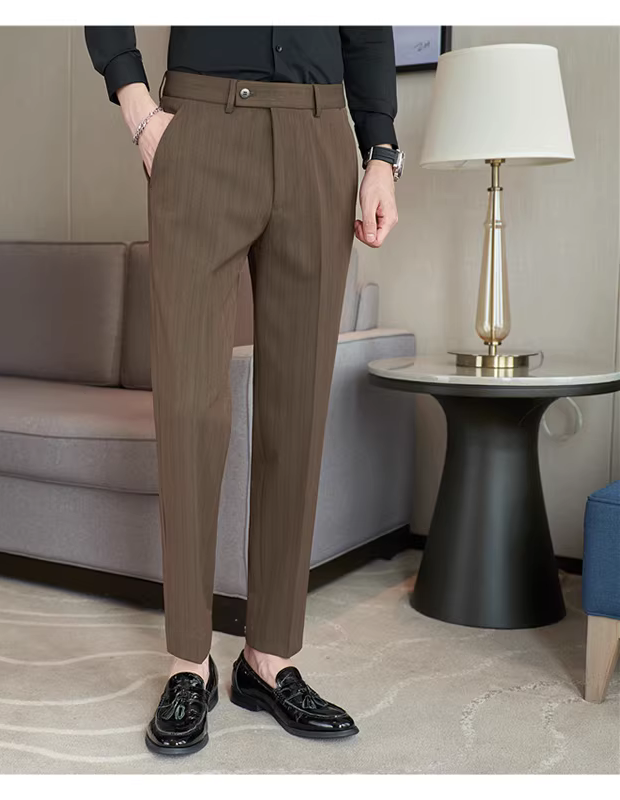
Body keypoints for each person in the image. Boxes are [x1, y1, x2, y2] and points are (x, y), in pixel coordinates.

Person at [84, 25, 402, 756]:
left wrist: (381, 153)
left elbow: (366, 26)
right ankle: (188, 664)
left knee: (297, 411)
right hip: (201, 125)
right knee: (190, 410)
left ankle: (268, 658)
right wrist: (136, 103)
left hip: (321, 133)